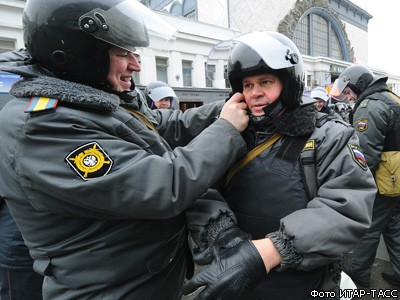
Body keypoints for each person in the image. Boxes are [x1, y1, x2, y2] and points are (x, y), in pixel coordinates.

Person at [0, 0, 250, 299]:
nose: (136, 64)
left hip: (145, 279)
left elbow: (160, 125)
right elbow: (164, 186)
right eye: (122, 53)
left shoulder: (91, 100)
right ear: (78, 54)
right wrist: (226, 129)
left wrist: (227, 107)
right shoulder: (45, 125)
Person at [183, 31, 377, 300]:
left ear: (289, 84)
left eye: (265, 81)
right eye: (248, 85)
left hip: (302, 284)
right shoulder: (229, 133)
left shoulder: (329, 135)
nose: (255, 93)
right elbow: (199, 186)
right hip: (234, 276)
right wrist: (223, 234)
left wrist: (272, 250)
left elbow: (348, 207)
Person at [331, 64, 400, 287]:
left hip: (383, 181)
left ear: (359, 86)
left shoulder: (370, 106)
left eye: (349, 91)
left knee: (369, 228)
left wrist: (358, 187)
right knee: (394, 226)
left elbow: (365, 155)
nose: (349, 97)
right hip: (395, 179)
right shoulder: (390, 97)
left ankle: (358, 275)